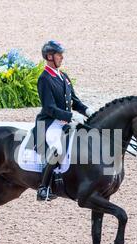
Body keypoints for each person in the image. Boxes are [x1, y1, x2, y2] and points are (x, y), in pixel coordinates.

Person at [33, 40, 95, 201]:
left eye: (61, 54)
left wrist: (88, 111)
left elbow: (75, 101)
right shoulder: (44, 78)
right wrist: (71, 116)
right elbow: (49, 108)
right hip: (50, 123)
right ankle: (43, 188)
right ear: (49, 56)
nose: (62, 57)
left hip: (65, 121)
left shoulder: (64, 77)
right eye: (59, 54)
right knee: (57, 148)